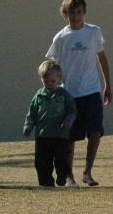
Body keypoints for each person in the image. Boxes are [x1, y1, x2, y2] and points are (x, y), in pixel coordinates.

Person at [45, 0, 111, 186]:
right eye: (72, 13)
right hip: (69, 94)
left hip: (91, 90)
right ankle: (68, 176)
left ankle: (87, 172)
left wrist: (108, 84)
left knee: (95, 131)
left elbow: (102, 58)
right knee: (70, 137)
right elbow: (52, 66)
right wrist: (53, 90)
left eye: (79, 12)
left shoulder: (93, 32)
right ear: (66, 14)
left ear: (84, 12)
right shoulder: (61, 37)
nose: (76, 16)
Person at [23, 59, 76, 187]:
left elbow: (72, 111)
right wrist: (28, 125)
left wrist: (68, 121)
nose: (49, 84)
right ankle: (46, 183)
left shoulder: (63, 95)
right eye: (46, 81)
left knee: (61, 160)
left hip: (60, 136)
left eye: (53, 81)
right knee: (41, 162)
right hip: (43, 135)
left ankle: (62, 177)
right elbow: (32, 113)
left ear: (59, 79)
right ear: (42, 80)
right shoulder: (39, 95)